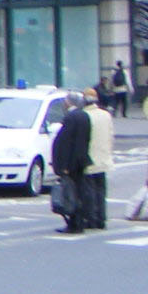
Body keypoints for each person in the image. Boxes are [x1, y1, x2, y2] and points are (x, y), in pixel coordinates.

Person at [49, 92, 93, 235]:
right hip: (81, 160)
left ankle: (74, 223)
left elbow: (66, 143)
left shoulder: (70, 118)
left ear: (68, 103)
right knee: (79, 191)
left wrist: (63, 166)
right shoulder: (84, 116)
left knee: (70, 193)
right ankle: (80, 221)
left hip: (71, 163)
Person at [81, 87, 113, 231]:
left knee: (89, 192)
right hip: (103, 159)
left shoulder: (85, 115)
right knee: (101, 191)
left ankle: (91, 219)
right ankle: (102, 218)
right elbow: (110, 136)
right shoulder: (106, 115)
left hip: (89, 159)